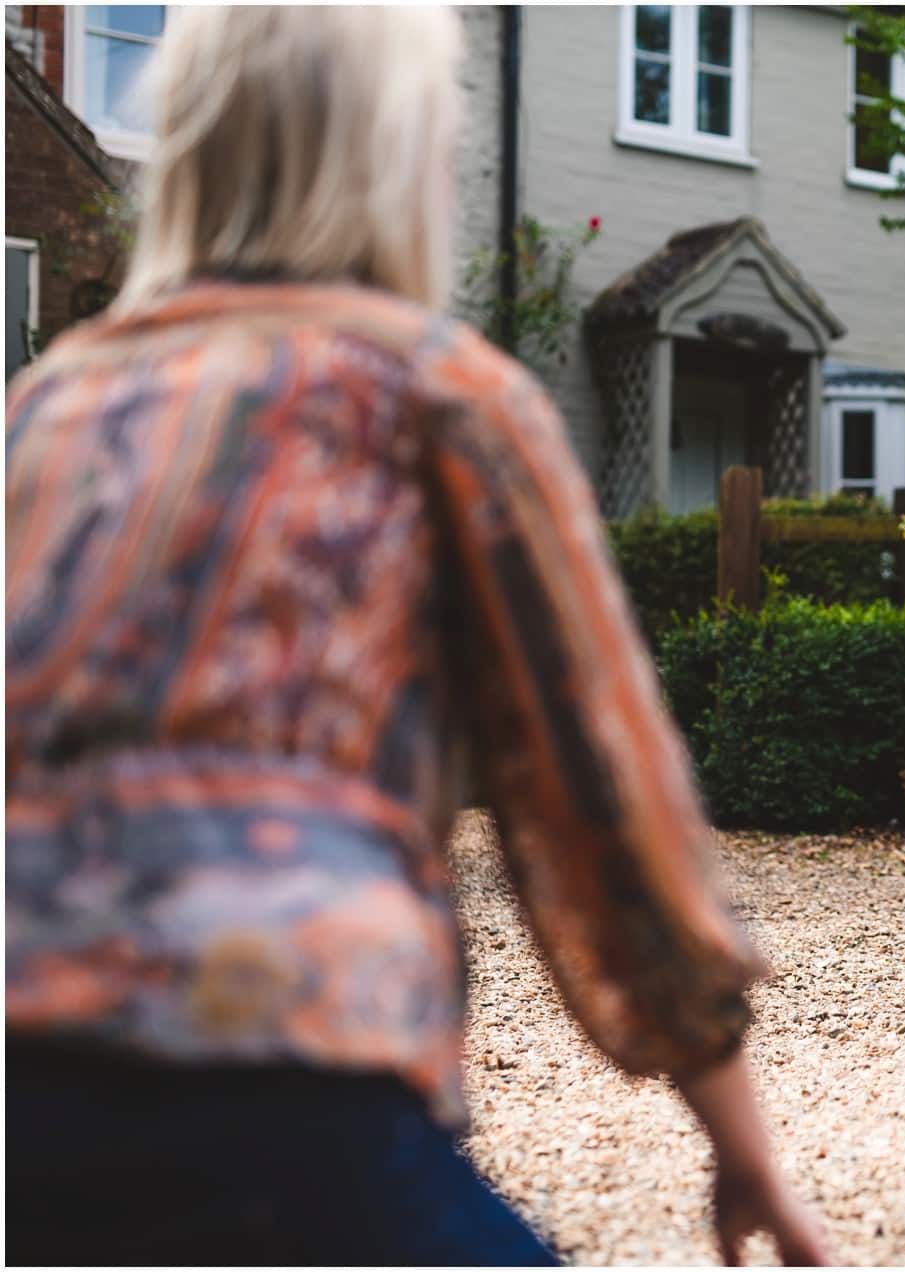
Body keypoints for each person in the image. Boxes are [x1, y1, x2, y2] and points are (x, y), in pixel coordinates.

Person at [4, 9, 828, 1266]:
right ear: (401, 160)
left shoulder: (47, 405)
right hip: (277, 1069)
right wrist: (743, 1143)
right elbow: (597, 793)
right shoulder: (440, 394)